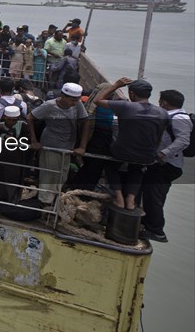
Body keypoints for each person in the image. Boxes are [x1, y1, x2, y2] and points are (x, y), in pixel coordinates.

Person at [92, 78, 168, 210]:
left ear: (132, 94)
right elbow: (159, 137)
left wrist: (116, 85)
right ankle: (131, 200)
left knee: (111, 166)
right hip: (147, 155)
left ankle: (119, 198)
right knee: (137, 169)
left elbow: (97, 100)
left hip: (122, 151)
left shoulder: (125, 106)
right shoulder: (163, 113)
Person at [28, 83, 91, 206]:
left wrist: (82, 146)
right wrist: (34, 141)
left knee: (62, 177)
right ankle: (44, 204)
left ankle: (55, 203)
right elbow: (30, 117)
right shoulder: (49, 106)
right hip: (51, 145)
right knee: (48, 176)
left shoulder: (77, 104)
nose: (74, 103)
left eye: (76, 100)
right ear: (63, 96)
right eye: (72, 100)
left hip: (68, 147)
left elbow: (85, 121)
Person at [140, 89, 191, 242]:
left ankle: (156, 231)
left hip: (167, 165)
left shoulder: (179, 118)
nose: (159, 103)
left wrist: (163, 154)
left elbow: (183, 141)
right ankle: (147, 223)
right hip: (162, 163)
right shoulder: (171, 116)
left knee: (154, 196)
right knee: (150, 194)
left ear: (165, 103)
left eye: (160, 100)